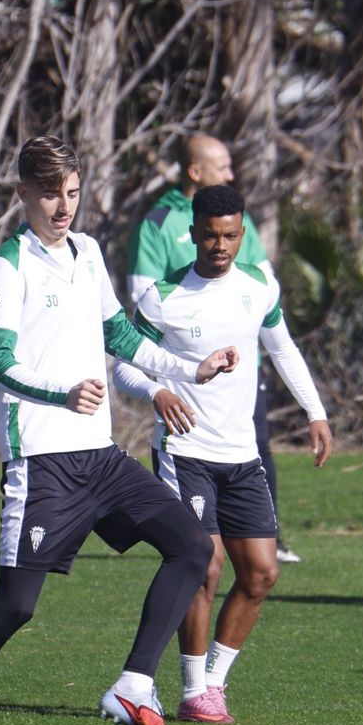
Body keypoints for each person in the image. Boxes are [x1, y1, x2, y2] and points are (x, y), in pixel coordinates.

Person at [0, 136, 238, 725]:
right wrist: (58, 393)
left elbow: (119, 334)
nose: (64, 206)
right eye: (52, 193)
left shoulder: (87, 255)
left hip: (101, 458)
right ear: (24, 193)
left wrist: (186, 367)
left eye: (74, 192)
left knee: (192, 547)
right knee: (14, 609)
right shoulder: (9, 265)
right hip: (43, 465)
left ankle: (133, 685)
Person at [112, 184, 332, 724]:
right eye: (210, 235)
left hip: (243, 454)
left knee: (260, 573)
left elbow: (283, 348)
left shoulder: (259, 286)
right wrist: (156, 391)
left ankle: (214, 682)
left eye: (230, 235)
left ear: (242, 233)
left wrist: (316, 411)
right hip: (184, 452)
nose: (220, 245)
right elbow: (120, 363)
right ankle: (191, 691)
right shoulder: (163, 297)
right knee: (204, 566)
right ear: (193, 235)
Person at [128, 134, 302, 564]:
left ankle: (266, 536)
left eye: (229, 236)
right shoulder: (158, 221)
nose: (231, 173)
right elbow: (141, 296)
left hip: (242, 371)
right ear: (195, 172)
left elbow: (265, 283)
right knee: (202, 560)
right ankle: (204, 539)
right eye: (221, 165)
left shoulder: (239, 218)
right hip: (184, 397)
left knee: (257, 445)